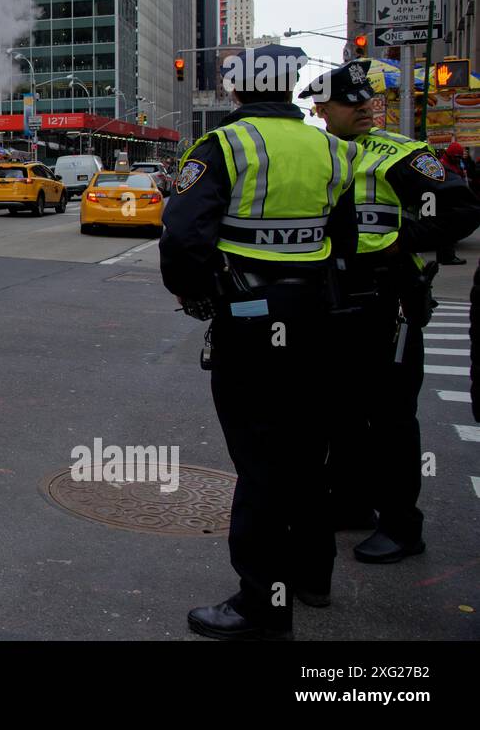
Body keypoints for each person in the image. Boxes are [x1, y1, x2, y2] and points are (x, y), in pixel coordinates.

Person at [159, 45, 359, 640]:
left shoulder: (224, 146)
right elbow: (344, 243)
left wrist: (199, 298)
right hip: (318, 320)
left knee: (259, 466)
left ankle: (261, 606)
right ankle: (312, 577)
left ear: (238, 92)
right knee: (306, 454)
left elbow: (183, 238)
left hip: (250, 320)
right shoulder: (333, 150)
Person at [302, 62, 480, 562]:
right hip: (335, 304)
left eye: (367, 100)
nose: (363, 107)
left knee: (391, 419)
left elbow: (462, 210)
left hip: (388, 305)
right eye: (348, 101)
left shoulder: (401, 156)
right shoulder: (320, 154)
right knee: (342, 415)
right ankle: (353, 504)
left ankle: (403, 525)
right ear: (321, 111)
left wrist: (404, 242)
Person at [435, 143, 468, 264]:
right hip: (446, 202)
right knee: (448, 229)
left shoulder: (452, 164)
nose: (458, 159)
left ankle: (446, 256)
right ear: (449, 155)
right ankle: (447, 256)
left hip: (450, 201)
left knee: (448, 230)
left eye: (459, 157)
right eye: (456, 157)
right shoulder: (444, 165)